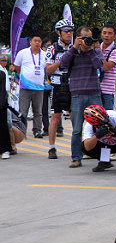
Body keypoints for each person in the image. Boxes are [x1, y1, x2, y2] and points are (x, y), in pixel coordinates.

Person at [59, 26, 104, 168]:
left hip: (94, 93)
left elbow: (99, 65)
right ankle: (76, 158)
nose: (87, 41)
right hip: (77, 94)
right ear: (78, 38)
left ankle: (103, 158)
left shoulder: (96, 51)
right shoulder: (72, 52)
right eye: (84, 38)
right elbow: (63, 63)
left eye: (89, 38)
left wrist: (90, 50)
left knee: (101, 127)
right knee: (77, 129)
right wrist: (74, 47)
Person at [46, 19, 74, 159]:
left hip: (72, 85)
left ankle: (77, 147)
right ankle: (51, 148)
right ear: (59, 33)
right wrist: (61, 61)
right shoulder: (52, 48)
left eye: (71, 31)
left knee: (75, 117)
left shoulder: (75, 48)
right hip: (57, 85)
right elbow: (49, 70)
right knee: (55, 117)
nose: (69, 33)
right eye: (66, 31)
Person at [14, 35, 47, 139]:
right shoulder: (23, 53)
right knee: (23, 111)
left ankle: (37, 131)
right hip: (25, 87)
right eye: (35, 41)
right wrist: (24, 77)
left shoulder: (44, 54)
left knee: (38, 112)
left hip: (39, 88)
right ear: (30, 42)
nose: (37, 43)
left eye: (39, 41)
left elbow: (47, 68)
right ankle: (22, 131)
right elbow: (17, 66)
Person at [99, 24, 116, 110]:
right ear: (101, 34)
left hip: (107, 92)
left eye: (109, 33)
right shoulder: (94, 48)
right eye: (104, 33)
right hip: (93, 90)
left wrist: (98, 51)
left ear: (114, 36)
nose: (106, 35)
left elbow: (105, 67)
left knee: (106, 117)